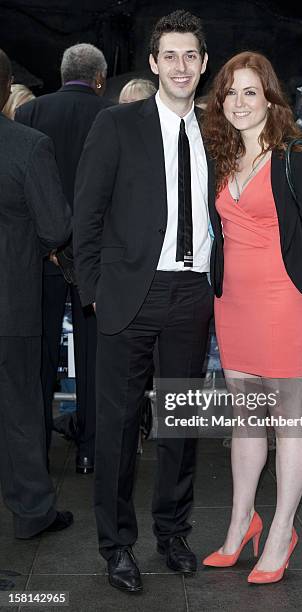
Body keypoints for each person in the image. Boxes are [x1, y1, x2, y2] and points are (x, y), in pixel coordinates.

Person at [73, 10, 222, 593]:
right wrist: (94, 294)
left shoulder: (218, 131)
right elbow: (85, 218)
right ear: (154, 63)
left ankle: (173, 531)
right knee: (116, 428)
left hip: (193, 293)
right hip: (127, 296)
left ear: (202, 63)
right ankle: (116, 547)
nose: (182, 66)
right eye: (171, 56)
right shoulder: (117, 125)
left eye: (192, 56)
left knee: (180, 424)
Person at [201, 51, 302, 584]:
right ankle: (241, 523)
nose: (238, 102)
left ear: (270, 98)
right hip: (231, 301)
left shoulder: (293, 153)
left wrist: (296, 281)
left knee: (287, 417)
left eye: (249, 92)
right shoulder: (222, 153)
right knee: (246, 419)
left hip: (281, 301)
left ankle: (281, 531)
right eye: (230, 92)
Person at [15, 43, 110, 474]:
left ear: (61, 72)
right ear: (100, 79)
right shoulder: (111, 116)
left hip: (43, 254)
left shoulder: (32, 114)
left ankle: (35, 455)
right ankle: (90, 450)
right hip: (96, 256)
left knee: (40, 355)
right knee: (92, 357)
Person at [0, 48, 73, 538]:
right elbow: (54, 227)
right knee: (21, 408)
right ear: (6, 86)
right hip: (12, 303)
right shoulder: (27, 145)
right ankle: (31, 512)